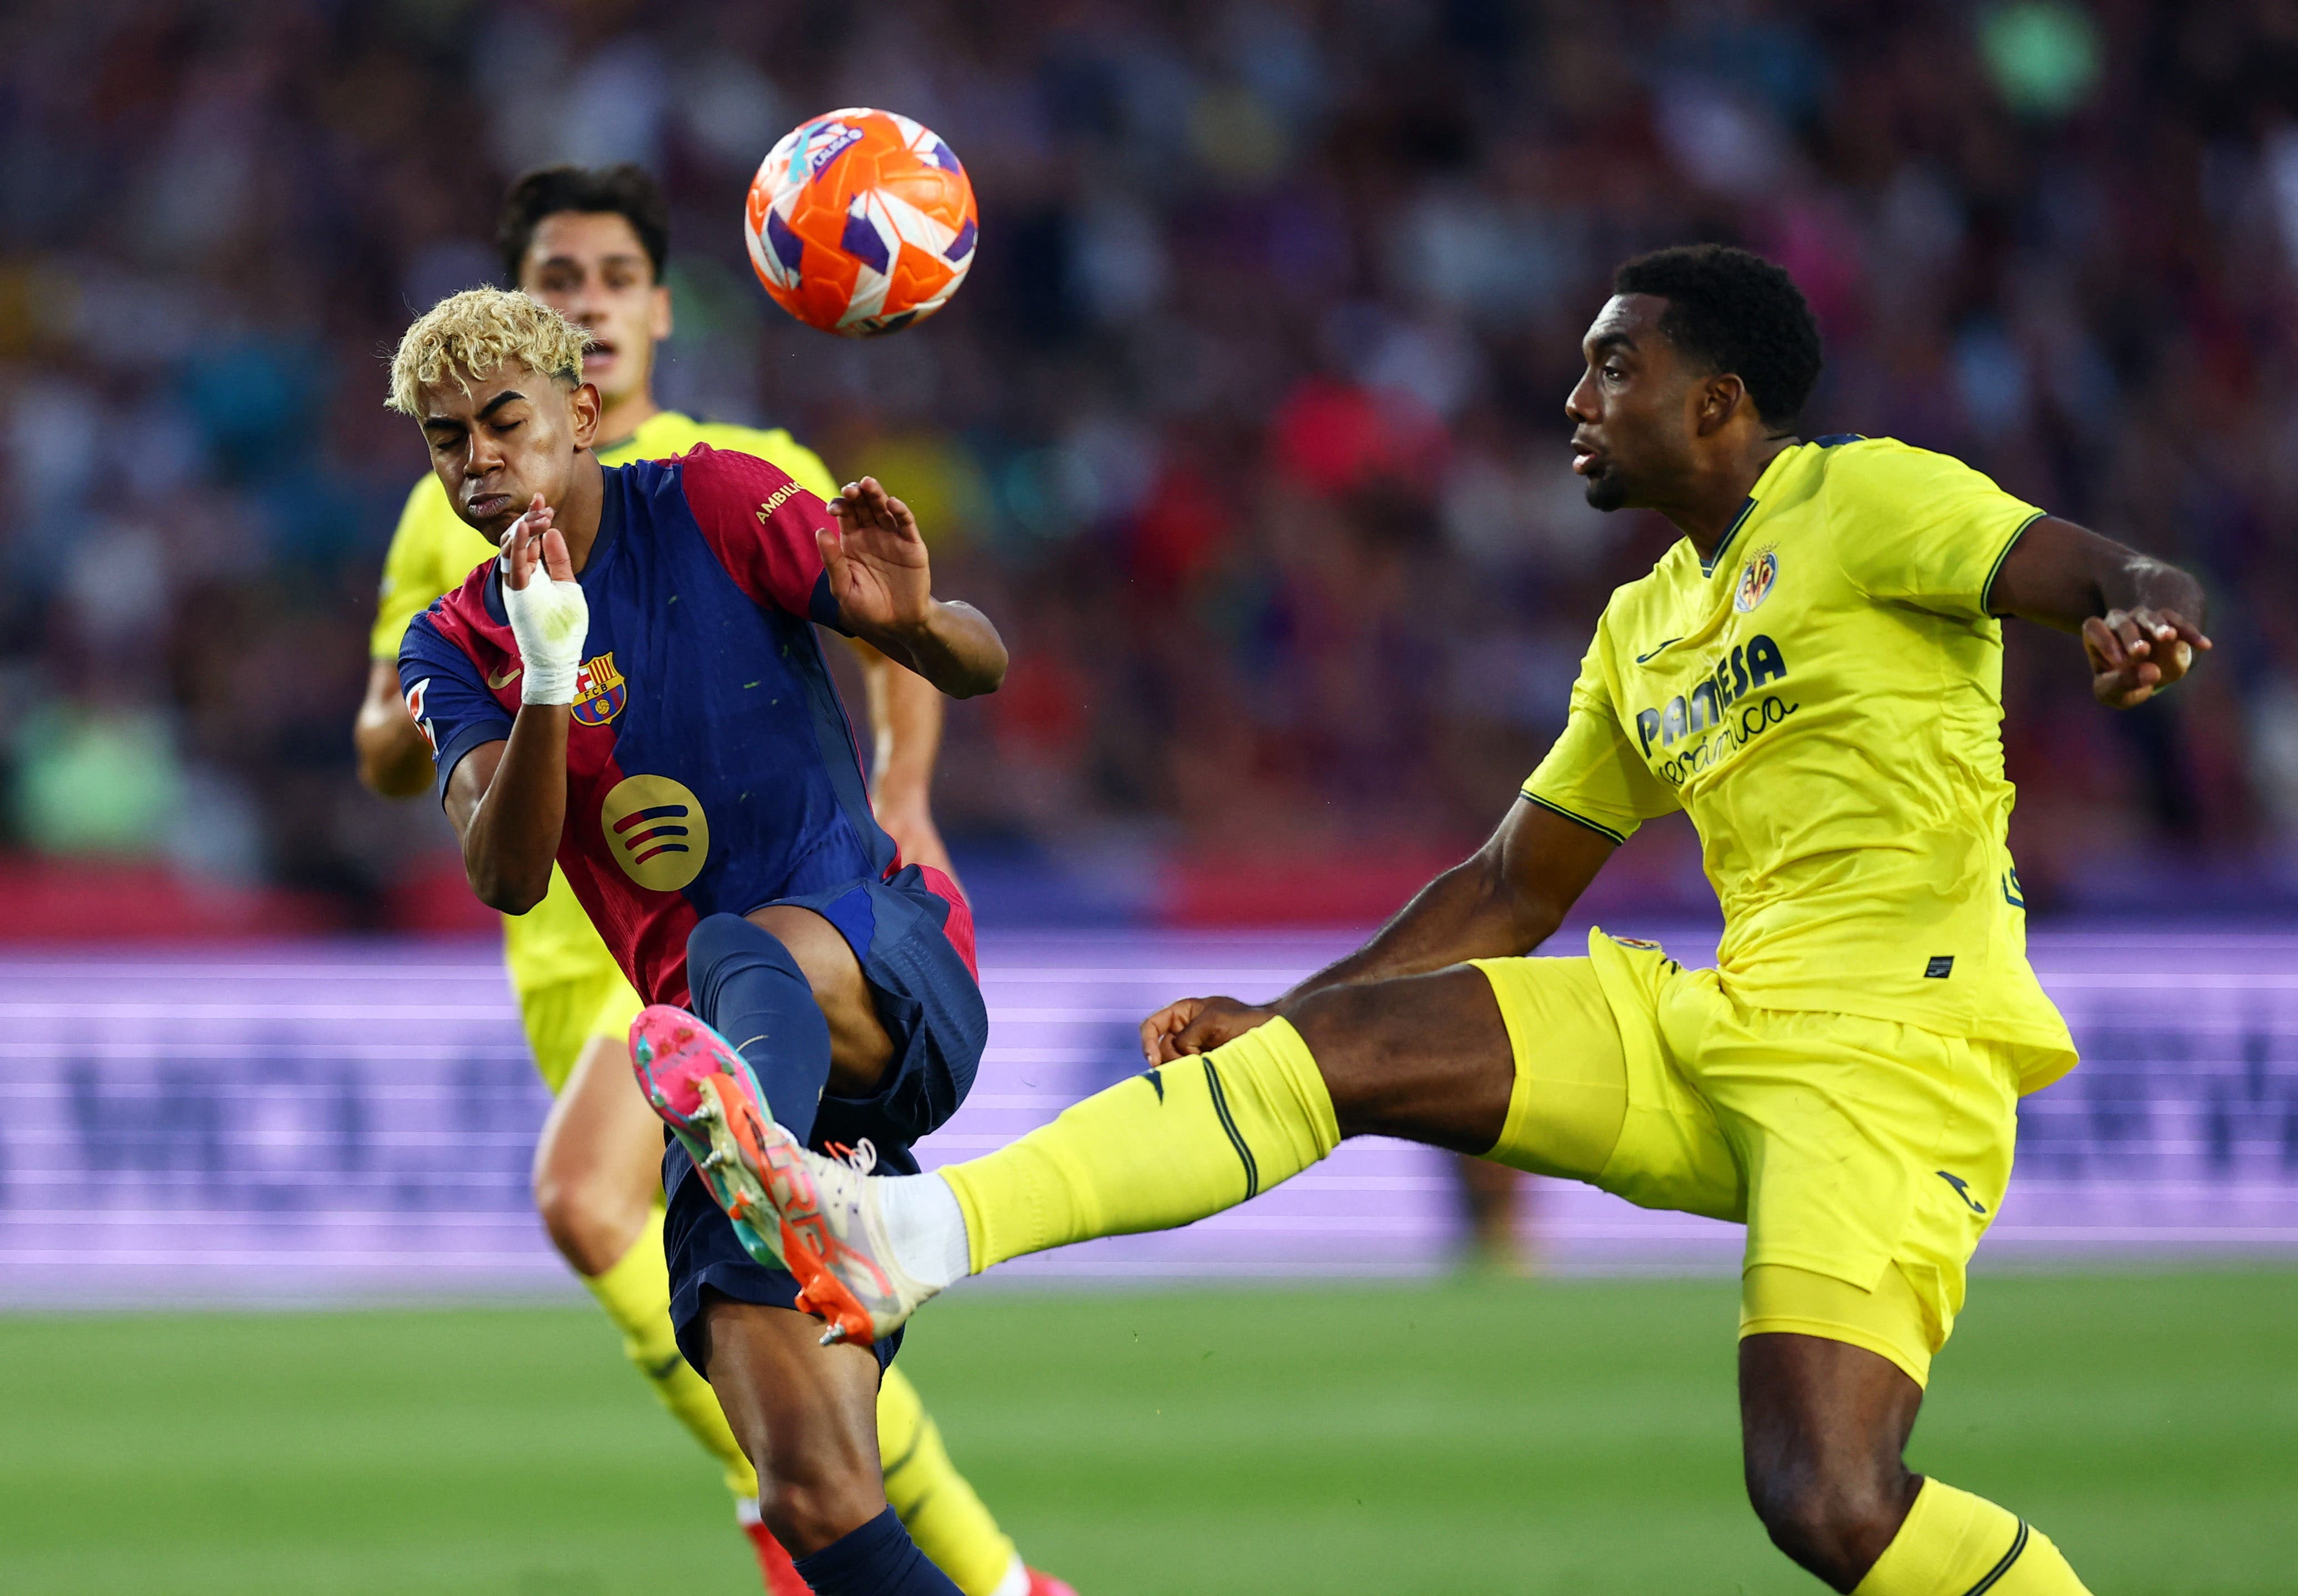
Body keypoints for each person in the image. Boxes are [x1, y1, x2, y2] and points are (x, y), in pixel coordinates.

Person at [666, 246, 2213, 1595]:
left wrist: (2138, 607)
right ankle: (902, 1239)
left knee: (1827, 1501)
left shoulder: (1864, 497)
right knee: (1338, 1053)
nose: (1576, 397)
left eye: (1617, 365)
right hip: (1729, 1019)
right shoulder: (1644, 624)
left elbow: (2097, 566)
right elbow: (1505, 890)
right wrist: (1277, 1013)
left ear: (1721, 402)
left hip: (1893, 1052)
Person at [361, 168, 1059, 1596]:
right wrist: (546, 670)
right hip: (729, 1081)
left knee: (738, 955)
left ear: (581, 417)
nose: (479, 460)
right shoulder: (458, 643)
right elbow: (502, 872)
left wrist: (918, 623)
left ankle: (779, 1176)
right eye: (448, 441)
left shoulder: (722, 498)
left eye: (505, 423)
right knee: (814, 1497)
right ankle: (803, 1199)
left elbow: (979, 665)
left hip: (877, 973)